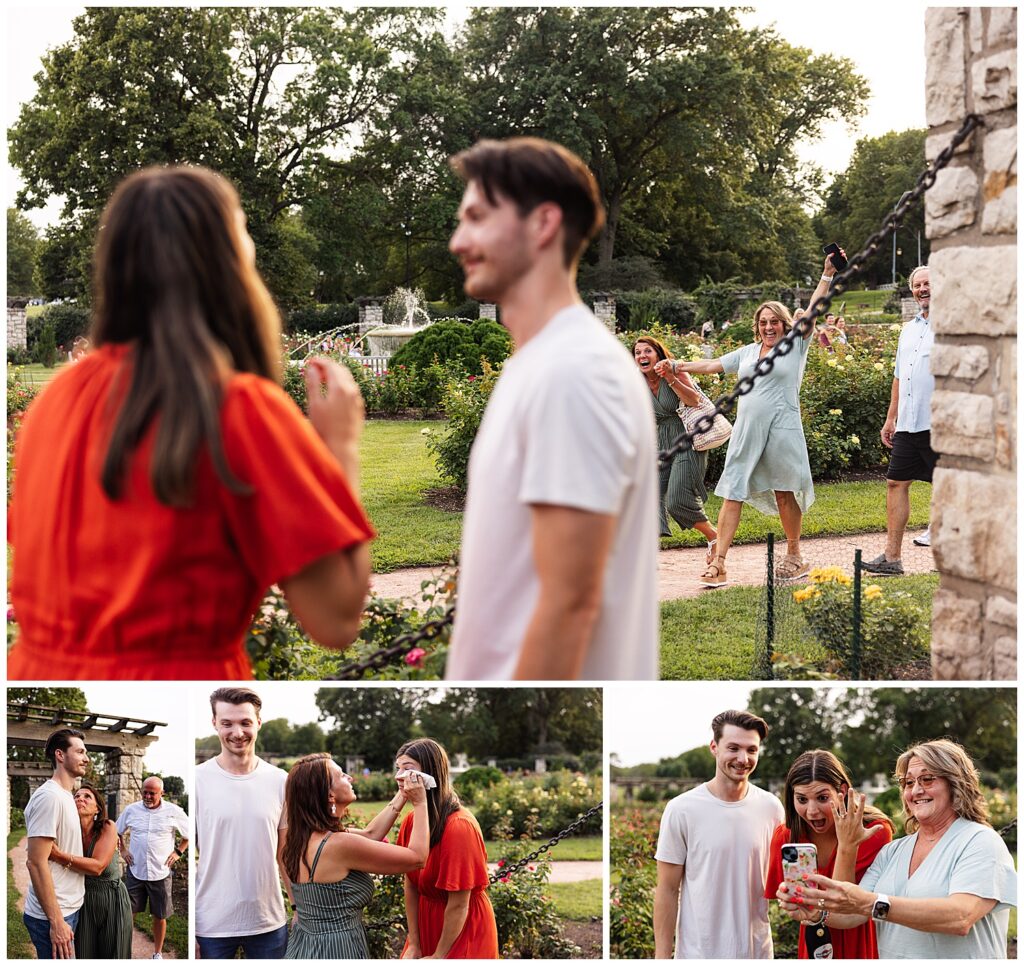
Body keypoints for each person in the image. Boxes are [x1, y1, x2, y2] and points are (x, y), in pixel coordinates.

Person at [8, 165, 374, 680]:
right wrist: (341, 447)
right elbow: (335, 619)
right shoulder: (238, 408)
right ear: (226, 263)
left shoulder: (54, 402)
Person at [443, 137, 657, 680]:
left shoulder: (573, 371)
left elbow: (569, 601)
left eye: (476, 218)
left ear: (542, 224)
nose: (457, 241)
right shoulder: (541, 363)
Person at [672, 251, 844, 587]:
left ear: (783, 324)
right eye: (763, 322)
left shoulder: (795, 345)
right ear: (757, 326)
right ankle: (718, 563)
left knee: (784, 493)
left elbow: (812, 310)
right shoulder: (748, 353)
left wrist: (827, 275)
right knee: (732, 492)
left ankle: (794, 555)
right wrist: (678, 365)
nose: (768, 327)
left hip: (782, 429)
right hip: (747, 432)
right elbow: (712, 365)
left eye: (774, 321)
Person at [779, 739, 1017, 958]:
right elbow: (852, 913)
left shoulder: (980, 841)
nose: (915, 791)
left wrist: (870, 903)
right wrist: (817, 911)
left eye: (927, 779)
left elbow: (960, 917)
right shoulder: (893, 851)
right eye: (908, 782)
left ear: (955, 783)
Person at [654, 710, 784, 959]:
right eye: (733, 748)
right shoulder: (682, 809)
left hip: (757, 953)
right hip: (698, 955)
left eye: (752, 750)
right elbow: (667, 890)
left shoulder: (772, 808)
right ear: (714, 747)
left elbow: (782, 877)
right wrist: (661, 958)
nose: (743, 759)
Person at [280, 753, 429, 959]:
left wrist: (402, 794)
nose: (350, 778)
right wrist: (420, 803)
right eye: (341, 775)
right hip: (336, 950)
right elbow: (417, 858)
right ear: (330, 795)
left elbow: (371, 834)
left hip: (305, 946)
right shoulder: (339, 845)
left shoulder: (304, 837)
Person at [764, 750, 893, 959]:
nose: (812, 811)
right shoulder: (786, 837)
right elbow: (796, 905)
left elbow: (844, 904)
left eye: (822, 798)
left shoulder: (874, 832)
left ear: (842, 791)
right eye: (802, 799)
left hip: (861, 941)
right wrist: (788, 900)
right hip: (815, 942)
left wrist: (847, 844)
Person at [196, 687, 290, 959]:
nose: (237, 732)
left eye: (245, 722)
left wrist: (297, 909)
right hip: (211, 925)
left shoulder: (280, 780)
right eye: (227, 723)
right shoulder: (199, 779)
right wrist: (193, 929)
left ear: (258, 723)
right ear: (214, 723)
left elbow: (284, 854)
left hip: (268, 922)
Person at [395, 738, 499, 959]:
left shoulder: (459, 827)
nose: (399, 776)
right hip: (426, 925)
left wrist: (439, 956)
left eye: (408, 769)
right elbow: (411, 885)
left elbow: (460, 904)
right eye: (398, 769)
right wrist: (414, 942)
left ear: (430, 775)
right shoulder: (412, 822)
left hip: (462, 928)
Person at [863, 266, 935, 572]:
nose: (922, 288)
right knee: (895, 482)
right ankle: (892, 558)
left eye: (928, 282)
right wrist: (890, 419)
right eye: (917, 284)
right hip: (908, 423)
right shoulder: (908, 329)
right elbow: (898, 377)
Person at [633, 337, 718, 557]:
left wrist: (670, 378)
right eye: (637, 352)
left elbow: (695, 401)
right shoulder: (638, 382)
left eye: (647, 351)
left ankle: (714, 537)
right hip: (662, 443)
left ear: (658, 354)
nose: (642, 356)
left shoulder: (675, 371)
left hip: (687, 441)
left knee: (677, 501)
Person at [22, 728, 88, 959]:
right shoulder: (49, 797)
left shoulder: (66, 795)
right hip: (54, 915)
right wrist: (57, 922)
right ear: (60, 755)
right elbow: (35, 863)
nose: (86, 758)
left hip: (68, 908)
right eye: (80, 751)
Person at [49, 783, 133, 959]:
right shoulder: (68, 832)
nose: (80, 798)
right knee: (83, 953)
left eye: (87, 796)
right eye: (77, 796)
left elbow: (97, 867)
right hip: (83, 901)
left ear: (97, 808)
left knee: (113, 954)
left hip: (112, 899)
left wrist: (58, 855)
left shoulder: (107, 827)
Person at [116, 776, 189, 960]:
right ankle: (125, 951)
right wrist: (123, 850)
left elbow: (188, 834)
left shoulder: (174, 811)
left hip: (161, 873)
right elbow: (116, 831)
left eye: (152, 793)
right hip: (136, 871)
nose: (147, 796)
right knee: (128, 912)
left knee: (160, 915)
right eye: (145, 792)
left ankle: (157, 954)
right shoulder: (131, 810)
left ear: (161, 793)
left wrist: (178, 852)